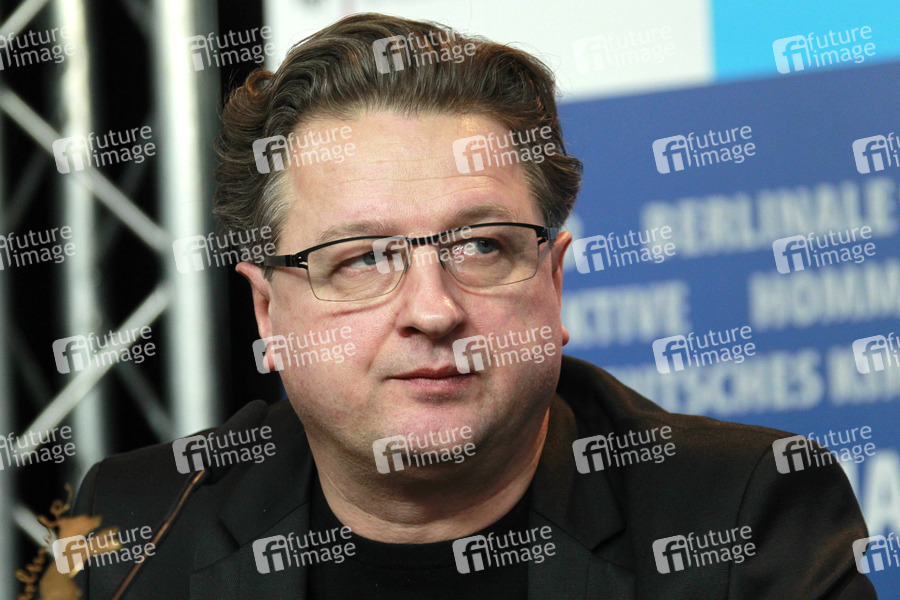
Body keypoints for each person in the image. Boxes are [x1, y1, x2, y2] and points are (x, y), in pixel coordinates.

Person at [72, 12, 877, 599]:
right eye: (361, 258)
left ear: (553, 281)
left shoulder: (741, 515)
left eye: (482, 247)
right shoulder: (136, 531)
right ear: (268, 315)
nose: (433, 311)